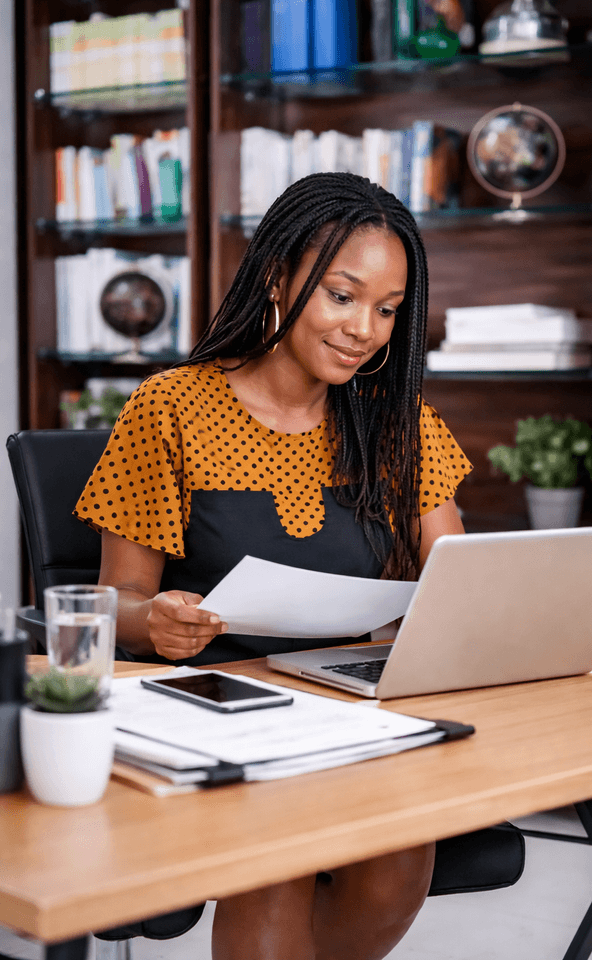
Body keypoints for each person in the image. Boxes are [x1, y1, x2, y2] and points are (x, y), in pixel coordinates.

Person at [75, 171, 472, 960]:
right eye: (341, 295)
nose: (365, 328)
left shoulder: (400, 424)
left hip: (352, 706)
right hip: (216, 706)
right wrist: (152, 621)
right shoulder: (172, 407)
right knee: (278, 856)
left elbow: (462, 583)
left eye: (388, 309)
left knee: (401, 852)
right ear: (277, 279)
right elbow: (110, 602)